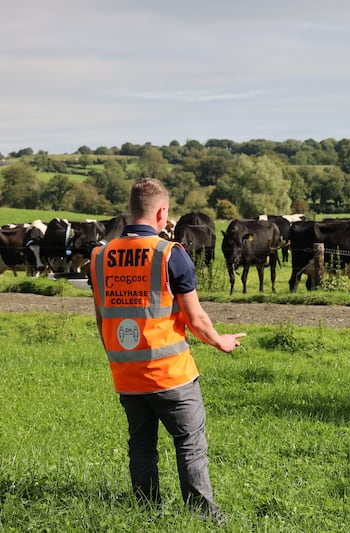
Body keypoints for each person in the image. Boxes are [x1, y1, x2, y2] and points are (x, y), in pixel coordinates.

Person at [89, 178, 245, 522]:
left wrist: (118, 361)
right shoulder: (170, 254)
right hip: (171, 376)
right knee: (190, 446)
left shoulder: (99, 257)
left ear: (130, 210)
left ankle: (146, 513)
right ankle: (204, 518)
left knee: (141, 449)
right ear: (162, 212)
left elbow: (103, 319)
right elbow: (195, 317)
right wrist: (221, 340)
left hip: (126, 377)